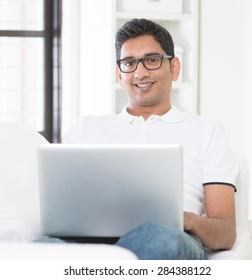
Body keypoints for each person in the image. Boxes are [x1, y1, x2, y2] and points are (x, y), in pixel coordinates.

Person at [61, 18, 238, 260]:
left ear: (174, 68)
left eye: (152, 60)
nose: (140, 73)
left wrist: (185, 219)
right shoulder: (85, 129)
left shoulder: (206, 132)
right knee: (42, 246)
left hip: (170, 236)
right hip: (92, 238)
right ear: (118, 73)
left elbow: (226, 233)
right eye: (129, 63)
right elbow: (63, 209)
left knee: (161, 241)